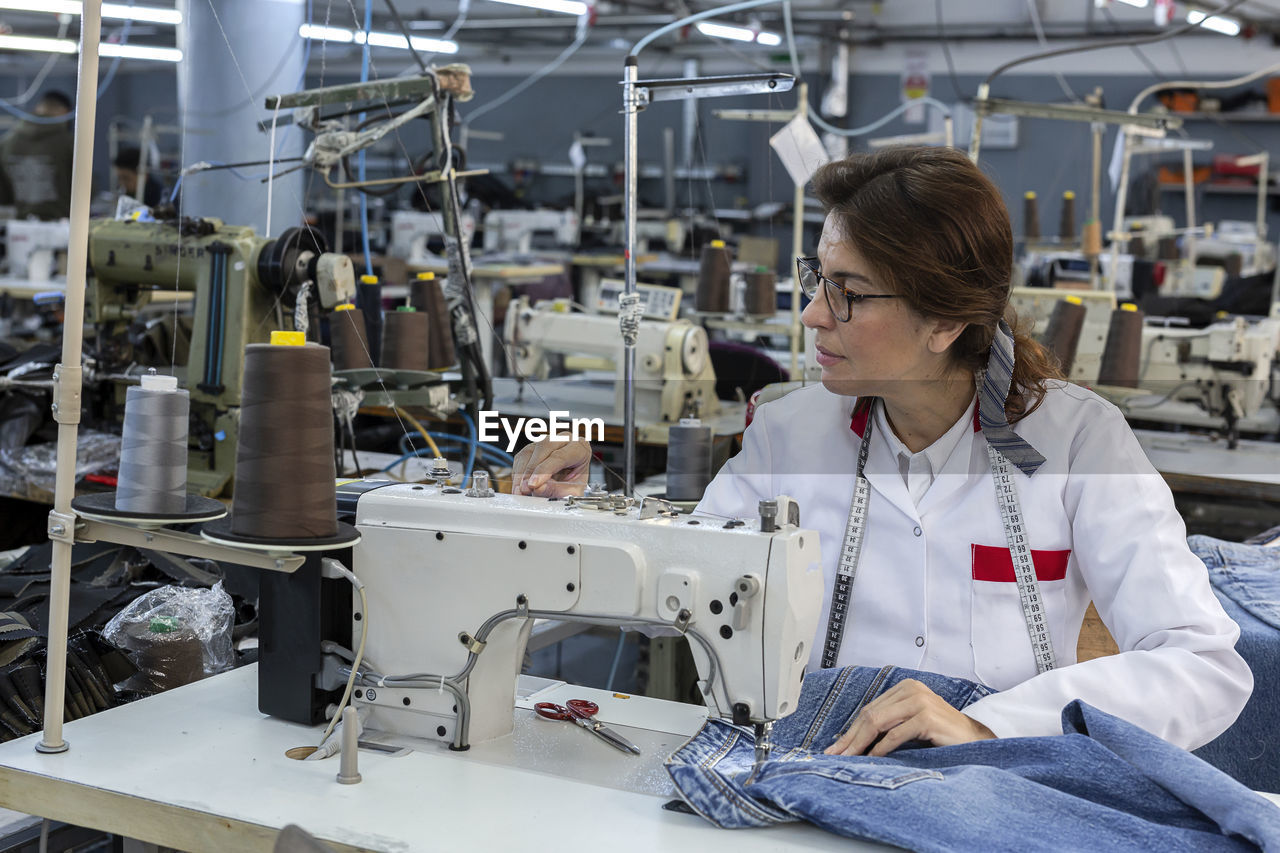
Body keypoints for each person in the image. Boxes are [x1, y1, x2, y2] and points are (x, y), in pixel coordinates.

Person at [511, 146, 1251, 757]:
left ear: (946, 320)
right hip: (821, 773)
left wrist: (992, 722)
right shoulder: (790, 432)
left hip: (998, 782)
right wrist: (581, 517)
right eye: (817, 281)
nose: (810, 315)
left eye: (847, 294)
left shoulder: (1078, 441)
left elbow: (1205, 665)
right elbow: (677, 590)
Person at [0, 90, 74, 220]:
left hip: (20, 230)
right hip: (62, 229)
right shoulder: (70, 144)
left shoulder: (6, 143)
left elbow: (3, 196)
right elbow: (86, 191)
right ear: (65, 112)